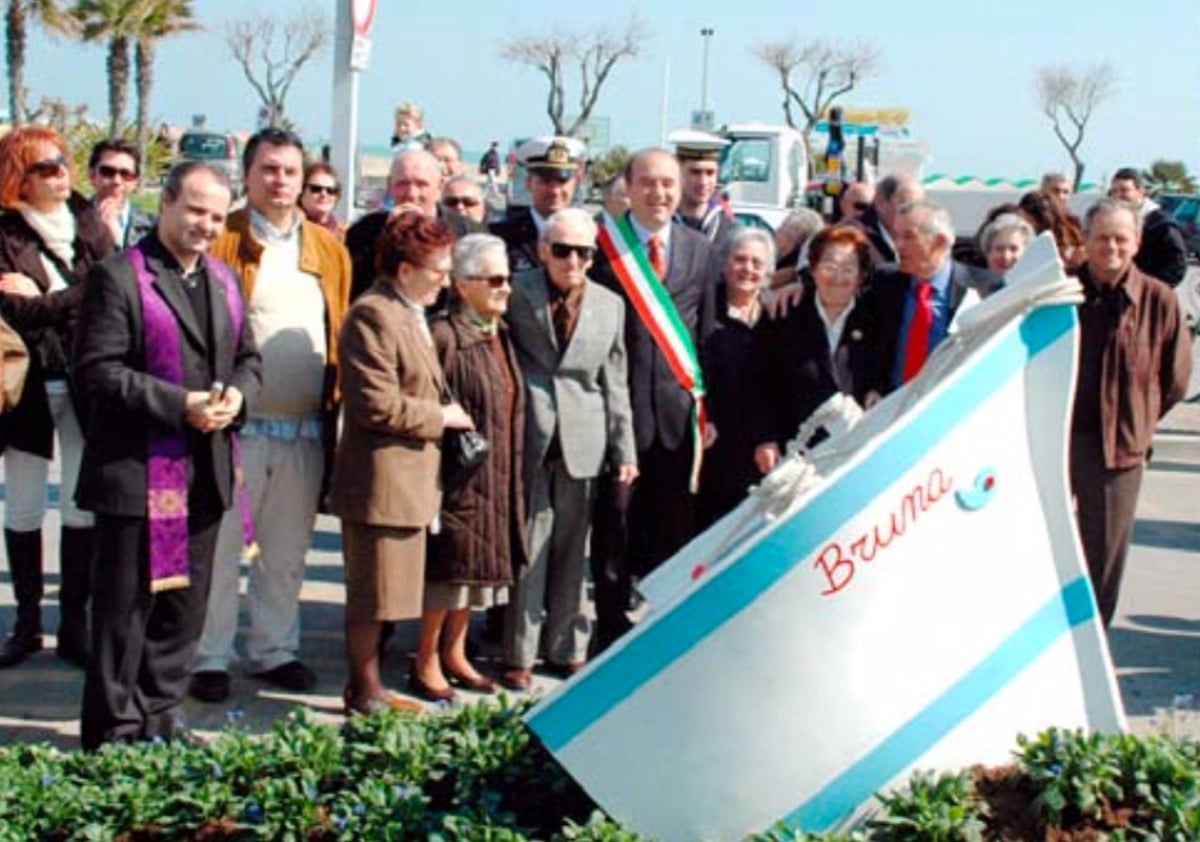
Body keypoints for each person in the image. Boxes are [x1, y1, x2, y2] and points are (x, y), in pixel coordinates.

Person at [73, 161, 262, 749]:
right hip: (136, 473)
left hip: (204, 471)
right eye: (195, 210)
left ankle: (161, 716)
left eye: (215, 214)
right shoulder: (119, 278)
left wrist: (238, 397)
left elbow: (249, 361)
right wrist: (180, 404)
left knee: (183, 609)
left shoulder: (225, 281)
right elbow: (98, 374)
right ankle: (113, 732)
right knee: (124, 614)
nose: (205, 224)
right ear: (168, 204)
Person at [189, 127, 351, 704]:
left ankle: (272, 649)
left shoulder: (329, 248)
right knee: (223, 546)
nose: (280, 181)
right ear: (249, 175)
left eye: (290, 170)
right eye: (269, 170)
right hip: (237, 427)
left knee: (286, 551)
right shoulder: (223, 239)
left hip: (306, 426)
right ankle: (208, 655)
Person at [328, 211, 473, 716]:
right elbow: (375, 404)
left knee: (389, 592)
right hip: (380, 481)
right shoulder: (374, 313)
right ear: (405, 268)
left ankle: (370, 687)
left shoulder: (408, 310)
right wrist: (442, 416)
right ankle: (364, 689)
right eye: (437, 271)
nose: (444, 282)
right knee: (372, 593)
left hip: (408, 480)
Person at [503, 208, 637, 686]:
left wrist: (626, 450)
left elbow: (614, 381)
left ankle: (566, 646)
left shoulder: (609, 304)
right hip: (531, 436)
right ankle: (519, 652)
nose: (572, 260)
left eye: (583, 251)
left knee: (572, 549)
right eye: (562, 250)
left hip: (586, 438)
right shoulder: (517, 293)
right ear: (543, 250)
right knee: (530, 546)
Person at [0, 126, 115, 669]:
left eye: (62, 161)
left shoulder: (88, 222)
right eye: (45, 166)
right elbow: (17, 314)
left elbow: (113, 293)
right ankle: (26, 623)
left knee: (79, 502)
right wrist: (78, 296)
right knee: (24, 503)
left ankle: (76, 624)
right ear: (20, 178)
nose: (60, 172)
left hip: (83, 379)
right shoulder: (5, 234)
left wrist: (54, 297)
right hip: (25, 387)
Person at [592, 148, 716, 597]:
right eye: (647, 182)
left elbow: (706, 333)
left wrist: (709, 411)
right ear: (628, 187)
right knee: (614, 530)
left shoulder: (700, 250)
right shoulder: (602, 248)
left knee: (673, 531)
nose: (658, 193)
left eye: (667, 183)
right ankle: (607, 627)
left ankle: (663, 622)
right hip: (618, 415)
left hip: (677, 417)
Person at [1070, 198, 1191, 627]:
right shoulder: (1060, 294)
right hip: (1058, 444)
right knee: (1049, 548)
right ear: (1085, 241)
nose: (1111, 248)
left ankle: (1093, 642)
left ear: (1137, 243)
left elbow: (1175, 380)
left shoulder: (1159, 301)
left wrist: (1136, 419)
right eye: (1102, 238)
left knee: (1103, 559)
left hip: (1119, 453)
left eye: (1121, 239)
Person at [415, 234, 525, 701]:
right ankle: (425, 661)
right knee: (448, 572)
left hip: (494, 472)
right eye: (495, 280)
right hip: (456, 476)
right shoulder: (445, 336)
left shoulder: (497, 332)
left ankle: (455, 653)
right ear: (462, 285)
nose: (506, 289)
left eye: (508, 279)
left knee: (472, 576)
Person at [750, 224, 890, 476]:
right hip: (793, 451)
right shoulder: (784, 314)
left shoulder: (876, 319)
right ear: (812, 269)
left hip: (853, 450)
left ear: (861, 275)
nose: (838, 277)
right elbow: (759, 384)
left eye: (848, 268)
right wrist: (764, 438)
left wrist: (875, 391)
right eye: (829, 266)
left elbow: (882, 371)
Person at [875, 201, 1003, 390]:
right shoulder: (885, 283)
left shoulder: (984, 287)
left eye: (909, 237)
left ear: (940, 242)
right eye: (896, 235)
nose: (898, 245)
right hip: (891, 405)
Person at [698, 227, 773, 525]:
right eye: (739, 260)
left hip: (758, 447)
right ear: (724, 264)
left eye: (757, 263)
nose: (748, 269)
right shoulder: (703, 312)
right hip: (712, 442)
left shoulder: (775, 314)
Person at [346, 148, 480, 302]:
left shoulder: (468, 234)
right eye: (402, 184)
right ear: (389, 185)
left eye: (421, 184)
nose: (411, 194)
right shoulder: (364, 233)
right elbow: (354, 289)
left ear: (440, 186)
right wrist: (388, 238)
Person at [490, 136, 586, 273]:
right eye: (545, 181)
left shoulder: (589, 235)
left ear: (575, 183)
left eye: (562, 181)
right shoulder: (501, 236)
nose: (554, 191)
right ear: (529, 184)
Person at [1108, 167, 1188, 287]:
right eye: (1114, 191)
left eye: (1124, 190)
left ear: (1141, 192)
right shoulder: (1111, 221)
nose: (1118, 195)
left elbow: (1176, 264)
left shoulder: (1161, 225)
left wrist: (1153, 290)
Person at [87, 138, 154, 249]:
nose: (117, 181)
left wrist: (117, 240)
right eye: (107, 172)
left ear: (135, 181)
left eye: (126, 174)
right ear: (92, 175)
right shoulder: (70, 223)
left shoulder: (152, 229)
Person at [671, 130, 736, 244]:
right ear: (677, 170)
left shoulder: (729, 231)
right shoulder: (662, 223)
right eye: (695, 172)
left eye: (710, 173)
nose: (703, 182)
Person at [847, 172, 924, 265]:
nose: (914, 212)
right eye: (907, 205)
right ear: (880, 201)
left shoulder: (920, 238)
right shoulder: (851, 235)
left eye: (919, 206)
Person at [772, 208, 824, 288]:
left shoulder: (793, 270)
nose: (778, 233)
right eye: (781, 229)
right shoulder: (772, 254)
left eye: (789, 234)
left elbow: (763, 282)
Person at [298, 161, 346, 240]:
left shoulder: (346, 235)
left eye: (330, 190)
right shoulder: (290, 231)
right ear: (301, 192)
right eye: (316, 189)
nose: (324, 194)